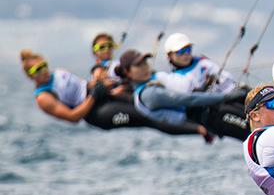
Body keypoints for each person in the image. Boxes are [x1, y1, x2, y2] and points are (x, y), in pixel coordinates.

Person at [21, 49, 212, 139]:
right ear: (30, 76)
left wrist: (102, 85)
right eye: (36, 70)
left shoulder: (59, 72)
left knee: (148, 93)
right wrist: (93, 96)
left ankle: (198, 101)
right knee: (147, 116)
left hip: (101, 94)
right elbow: (72, 117)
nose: (43, 71)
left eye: (43, 66)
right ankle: (199, 129)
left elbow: (86, 85)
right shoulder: (44, 98)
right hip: (96, 113)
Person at [116, 49, 249, 140]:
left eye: (145, 62)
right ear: (128, 72)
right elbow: (187, 100)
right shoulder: (149, 94)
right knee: (255, 133)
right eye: (138, 65)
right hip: (213, 117)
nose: (145, 67)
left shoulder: (151, 82)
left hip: (212, 111)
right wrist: (227, 96)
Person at [163, 32, 238, 94]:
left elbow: (227, 79)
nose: (185, 54)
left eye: (188, 50)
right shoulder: (172, 79)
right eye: (180, 51)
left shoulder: (204, 63)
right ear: (169, 56)